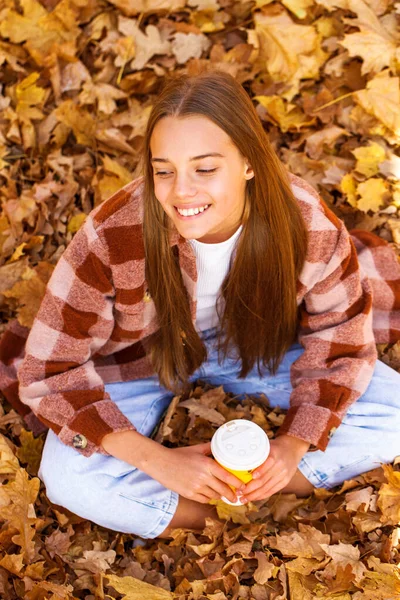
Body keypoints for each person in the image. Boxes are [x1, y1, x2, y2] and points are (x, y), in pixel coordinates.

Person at [13, 70, 400, 540]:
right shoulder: (112, 235)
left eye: (205, 168)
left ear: (249, 163)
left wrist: (294, 445)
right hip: (141, 363)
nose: (182, 192)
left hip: (260, 347)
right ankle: (212, 518)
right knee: (67, 479)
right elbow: (50, 370)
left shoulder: (303, 222)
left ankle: (273, 494)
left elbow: (339, 340)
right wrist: (157, 461)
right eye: (164, 170)